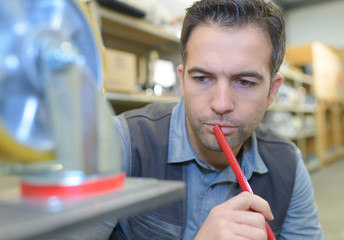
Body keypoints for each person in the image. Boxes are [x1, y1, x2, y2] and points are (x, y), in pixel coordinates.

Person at [109, 0, 324, 239]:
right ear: (182, 81)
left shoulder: (288, 164)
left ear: (272, 92)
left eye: (245, 82)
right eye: (202, 78)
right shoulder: (121, 142)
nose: (221, 104)